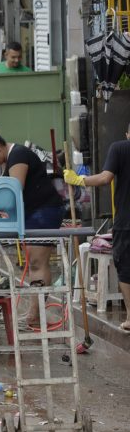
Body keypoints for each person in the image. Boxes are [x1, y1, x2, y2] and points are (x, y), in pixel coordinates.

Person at [0, 132, 65, 327]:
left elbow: (14, 192)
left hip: (44, 211)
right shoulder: (9, 158)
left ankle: (36, 314)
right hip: (35, 213)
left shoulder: (17, 155)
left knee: (36, 263)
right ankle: (35, 312)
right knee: (34, 263)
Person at [64, 124, 130, 331]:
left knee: (126, 268)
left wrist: (78, 180)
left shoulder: (120, 148)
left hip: (127, 221)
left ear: (127, 133)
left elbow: (104, 178)